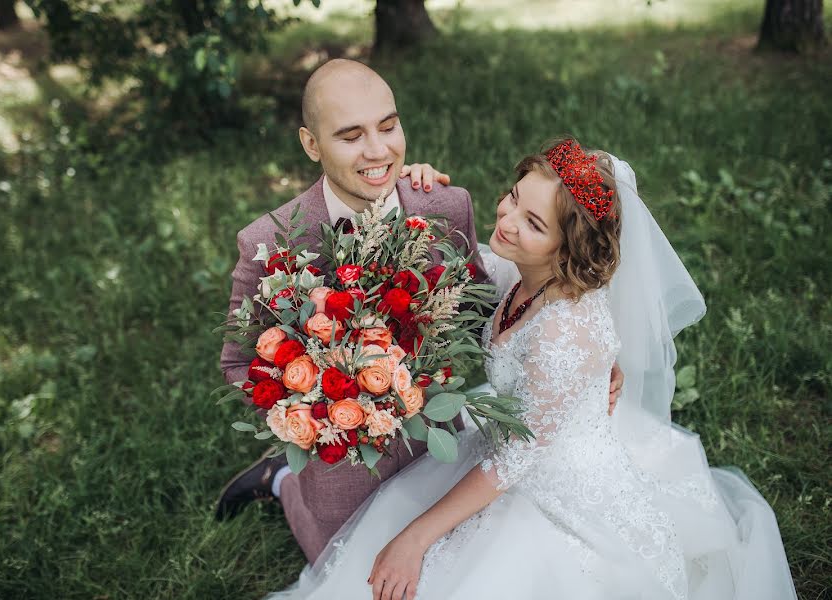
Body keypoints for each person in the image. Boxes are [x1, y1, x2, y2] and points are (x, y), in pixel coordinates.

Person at [267, 138, 797, 600]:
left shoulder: (567, 331)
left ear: (569, 249)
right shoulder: (520, 271)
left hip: (555, 494)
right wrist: (418, 188)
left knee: (422, 564)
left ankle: (284, 488)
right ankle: (290, 488)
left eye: (533, 223)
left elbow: (518, 460)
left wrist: (417, 535)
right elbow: (455, 254)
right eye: (515, 197)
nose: (507, 219)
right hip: (510, 447)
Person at [214, 58, 625, 563]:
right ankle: (280, 480)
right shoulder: (269, 242)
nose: (378, 150)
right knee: (343, 568)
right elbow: (239, 364)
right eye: (350, 136)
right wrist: (318, 413)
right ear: (311, 144)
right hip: (338, 450)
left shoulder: (443, 207)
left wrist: (578, 362)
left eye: (388, 126)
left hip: (434, 438)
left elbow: (486, 309)